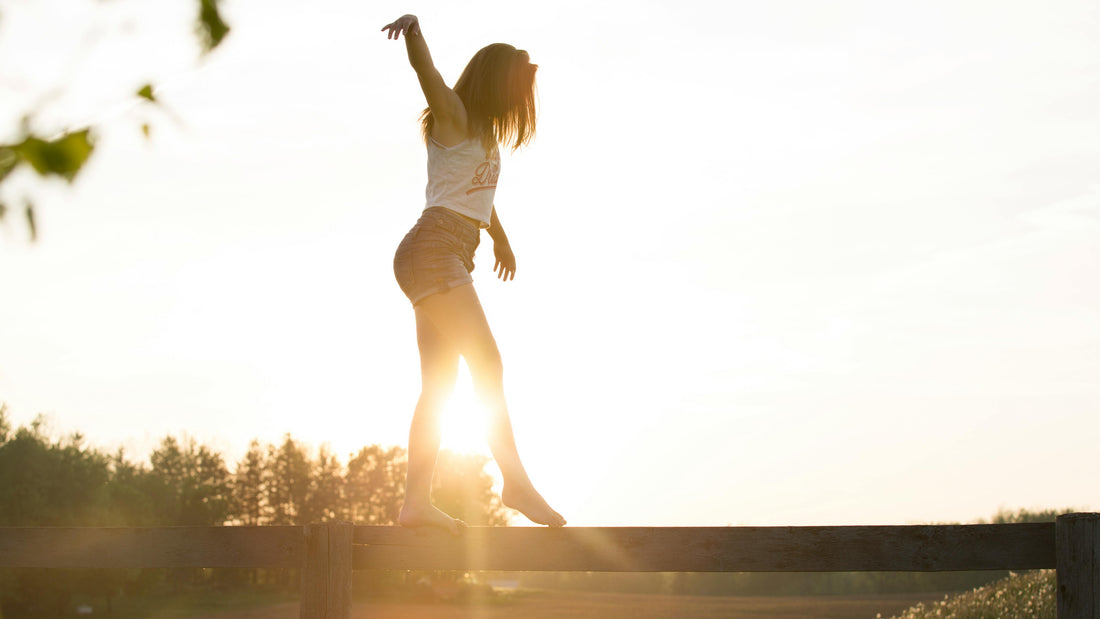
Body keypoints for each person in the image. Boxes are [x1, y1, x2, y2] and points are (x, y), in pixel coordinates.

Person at [382, 14, 566, 533]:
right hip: (433, 248)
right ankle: (516, 481)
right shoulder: (455, 115)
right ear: (492, 83)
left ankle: (414, 504)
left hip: (445, 254)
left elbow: (478, 196)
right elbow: (428, 75)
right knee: (488, 361)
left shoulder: (483, 135)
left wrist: (499, 237)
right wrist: (415, 34)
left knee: (438, 386)